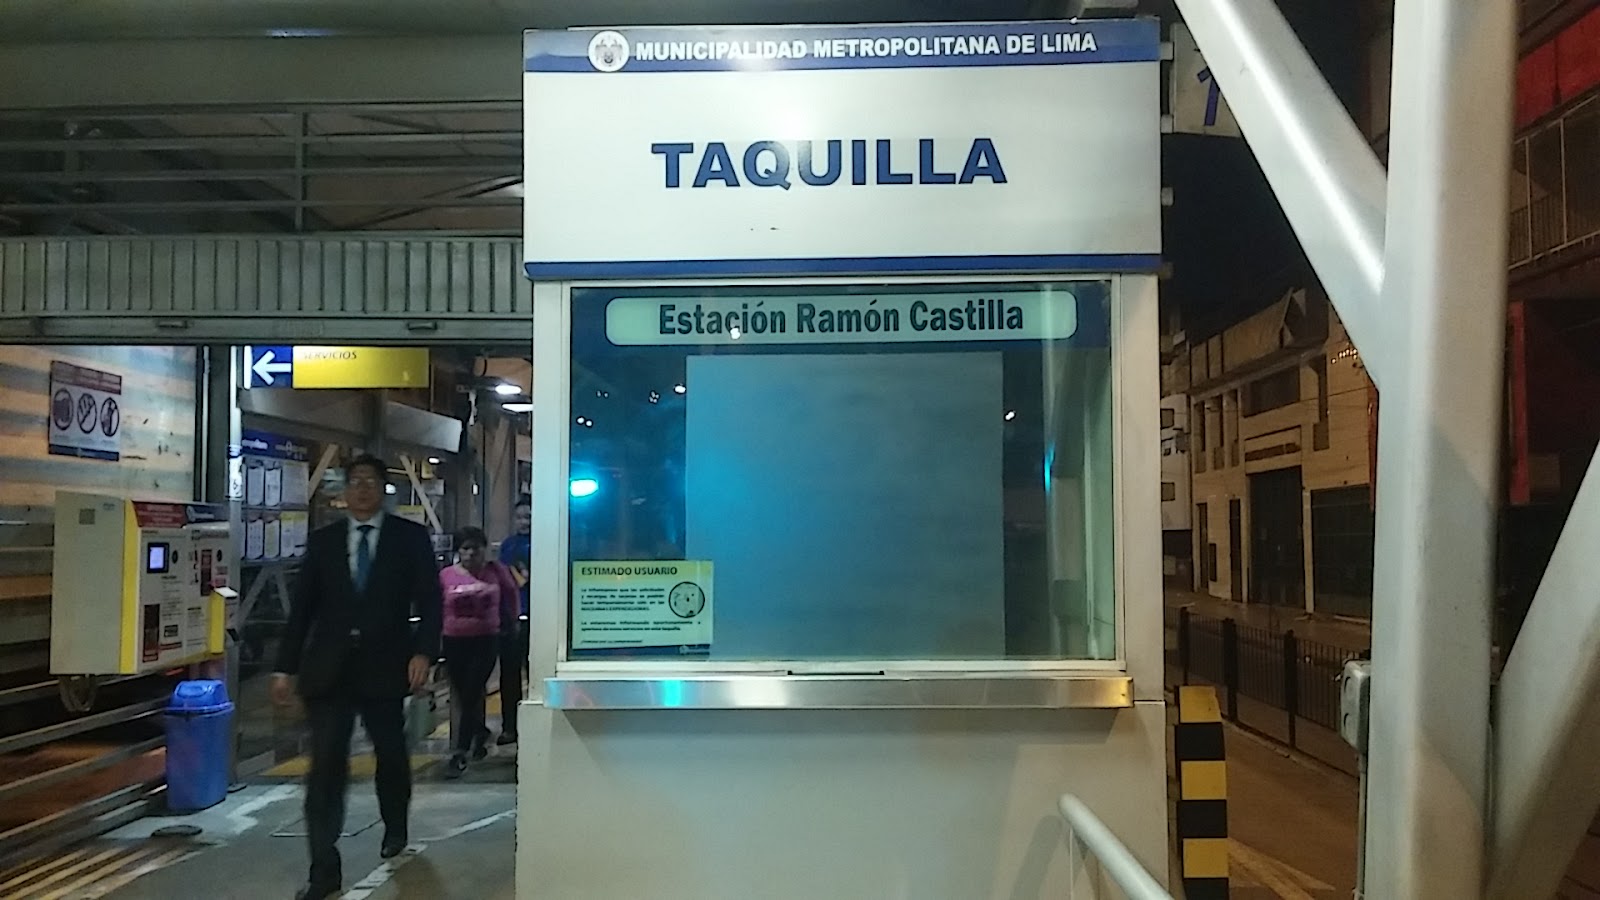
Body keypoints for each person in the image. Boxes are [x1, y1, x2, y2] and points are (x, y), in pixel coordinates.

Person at [271, 455, 443, 900]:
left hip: (386, 667)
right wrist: (285, 668)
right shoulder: (324, 542)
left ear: (383, 490)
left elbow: (430, 599)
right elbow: (303, 609)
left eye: (371, 482)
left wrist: (424, 652)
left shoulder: (409, 538)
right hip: (329, 672)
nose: (363, 489)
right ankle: (323, 870)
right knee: (326, 766)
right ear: (344, 491)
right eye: (355, 482)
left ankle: (395, 824)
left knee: (391, 754)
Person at [438, 526, 518, 777]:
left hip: (486, 640)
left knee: (472, 692)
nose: (471, 554)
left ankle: (460, 752)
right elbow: (436, 604)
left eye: (476, 548)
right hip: (453, 640)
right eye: (466, 549)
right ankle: (479, 732)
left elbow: (512, 594)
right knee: (463, 694)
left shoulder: (496, 571)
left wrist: (513, 622)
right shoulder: (446, 576)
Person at [495, 496, 532, 744]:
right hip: (511, 619)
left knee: (535, 673)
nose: (523, 522)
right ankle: (510, 726)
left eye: (528, 517)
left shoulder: (546, 543)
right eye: (519, 517)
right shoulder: (508, 546)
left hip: (536, 618)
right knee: (509, 675)